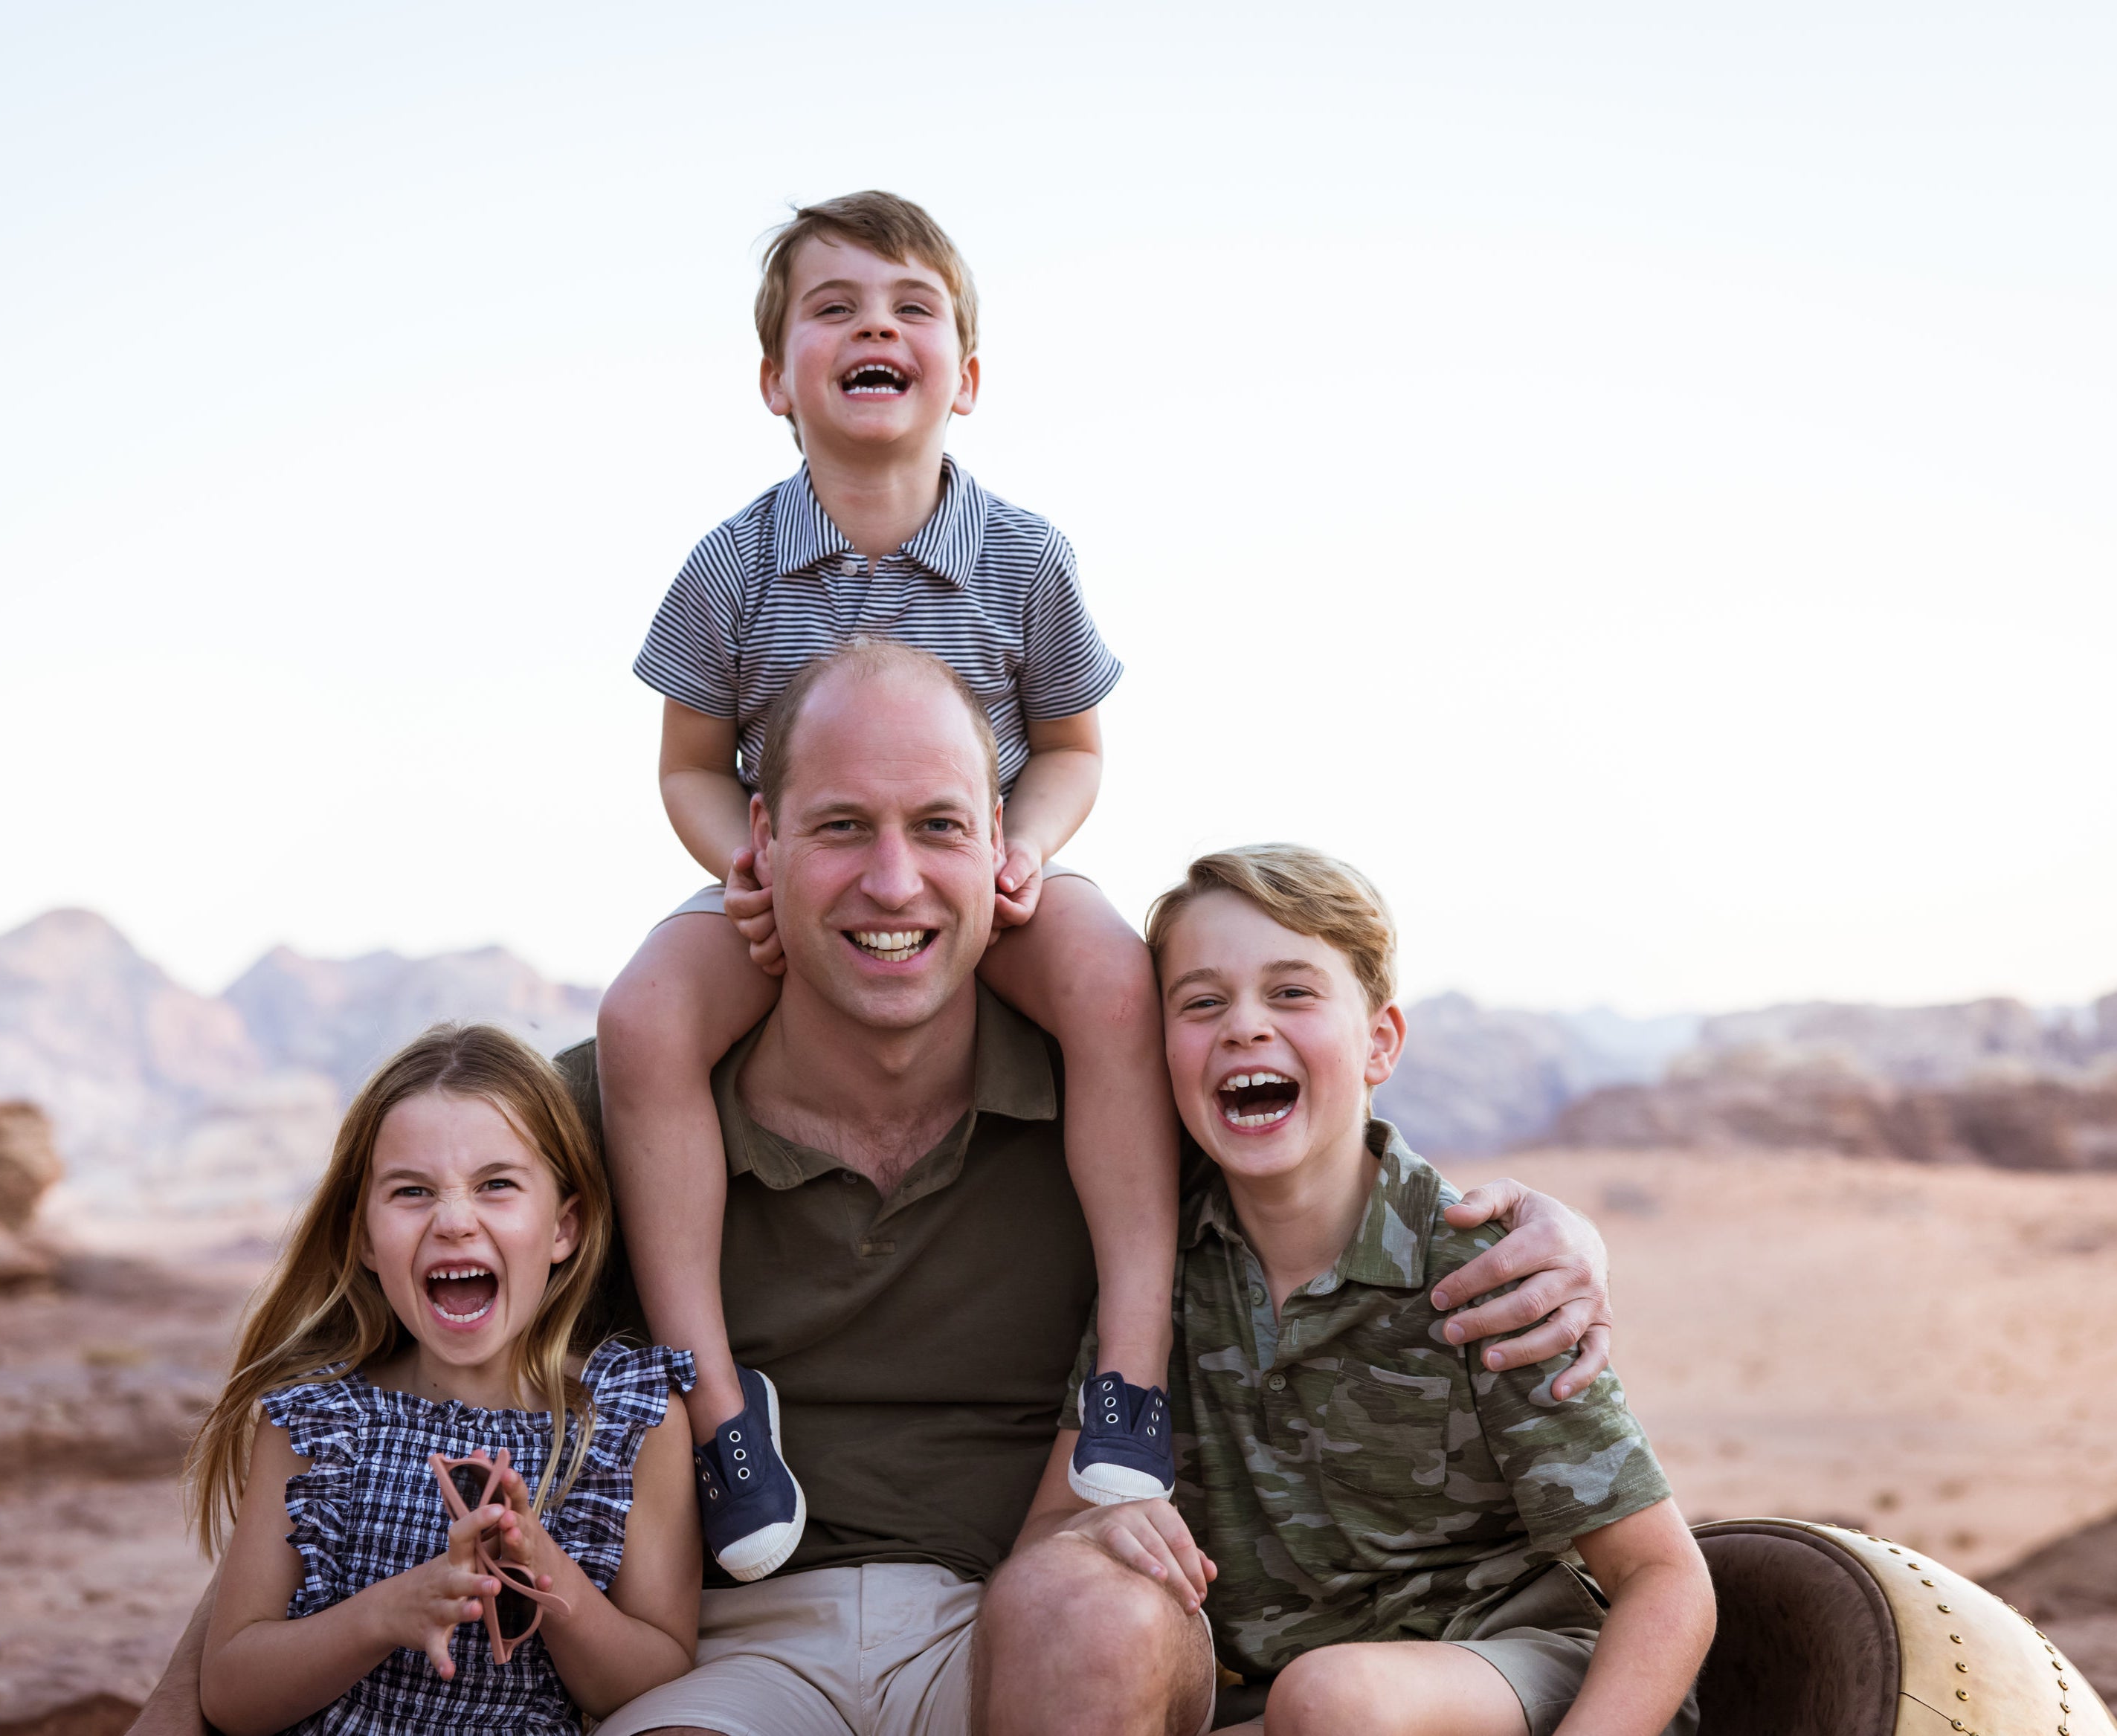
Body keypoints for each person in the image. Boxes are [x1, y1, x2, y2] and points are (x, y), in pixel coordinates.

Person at [128, 641, 1620, 1736]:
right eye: (841, 826)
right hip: (733, 1654)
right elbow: (369, 1386)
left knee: (1092, 1606)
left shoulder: (1119, 1105)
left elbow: (1319, 1159)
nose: (892, 882)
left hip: (1029, 1628)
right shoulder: (616, 1125)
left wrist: (1565, 1231)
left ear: (1005, 858)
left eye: (938, 828)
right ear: (759, 847)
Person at [599, 189, 1181, 1581]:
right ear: (774, 378)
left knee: (1110, 975)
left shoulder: (1023, 558)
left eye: (913, 307)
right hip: (797, 886)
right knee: (640, 1021)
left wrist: (1023, 845)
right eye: (836, 308)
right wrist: (733, 860)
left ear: (964, 377)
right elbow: (685, 764)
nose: (877, 326)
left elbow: (1072, 745)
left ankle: (1134, 1374)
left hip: (979, 876)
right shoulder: (732, 566)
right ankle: (720, 1415)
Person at [981, 846, 1712, 1736]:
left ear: (1380, 1042)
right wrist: (1097, 1533)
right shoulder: (1157, 1270)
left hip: (1516, 1676)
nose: (1245, 1025)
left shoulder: (1485, 1273)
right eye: (1203, 1001)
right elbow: (1048, 1540)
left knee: (1337, 1698)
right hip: (1282, 1705)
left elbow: (1665, 1579)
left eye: (1292, 992)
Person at [181, 1025, 702, 1735]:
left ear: (563, 1227)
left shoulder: (627, 1419)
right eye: (412, 1191)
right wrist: (384, 1613)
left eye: (497, 1185)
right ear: (363, 1237)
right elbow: (232, 1694)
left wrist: (541, 1569)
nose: (455, 1220)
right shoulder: (319, 1420)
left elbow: (649, 1681)